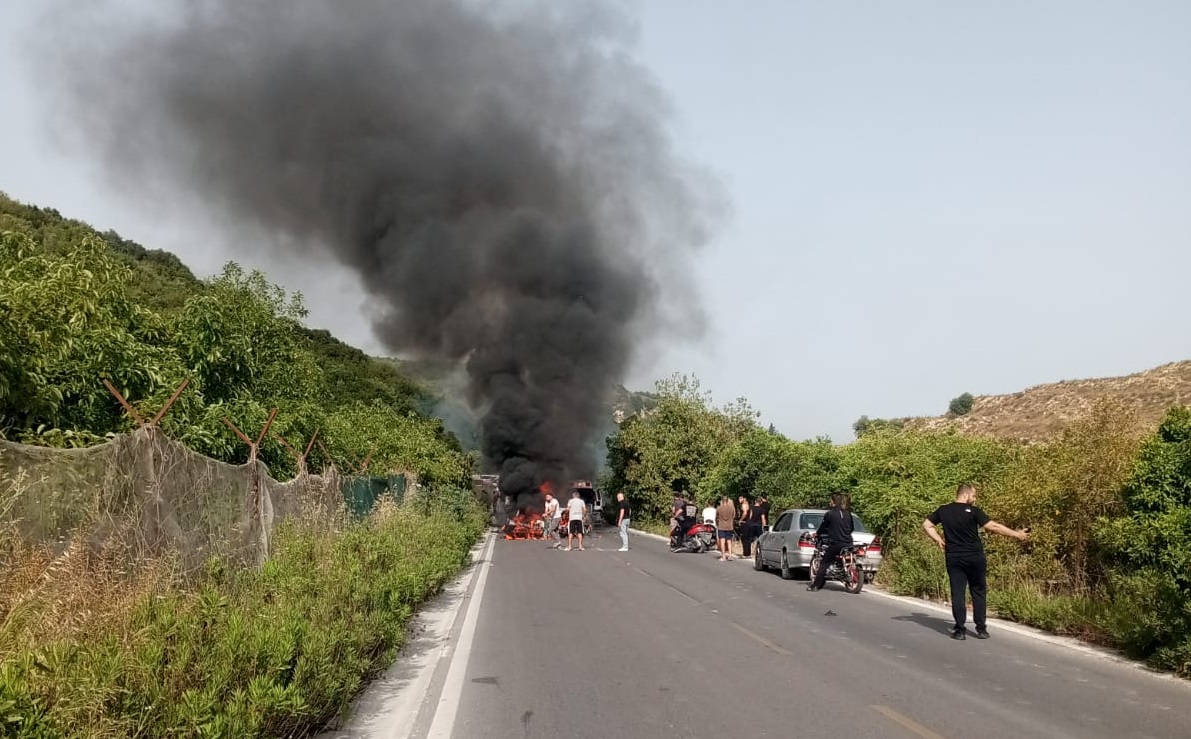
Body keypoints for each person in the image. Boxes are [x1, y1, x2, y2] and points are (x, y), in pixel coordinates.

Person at [923, 483, 1029, 640]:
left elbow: (927, 525)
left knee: (958, 593)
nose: (975, 499)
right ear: (965, 495)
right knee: (978, 591)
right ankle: (981, 629)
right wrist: (1017, 534)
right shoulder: (974, 512)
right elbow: (993, 526)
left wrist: (938, 540)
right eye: (973, 496)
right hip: (975, 557)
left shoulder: (943, 510)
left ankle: (960, 630)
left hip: (954, 557)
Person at [808, 493, 854, 591]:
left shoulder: (830, 514)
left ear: (833, 502)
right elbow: (851, 528)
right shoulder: (848, 513)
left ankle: (816, 586)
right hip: (849, 543)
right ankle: (843, 571)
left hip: (835, 543)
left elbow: (823, 527)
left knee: (824, 563)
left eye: (830, 501)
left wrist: (818, 534)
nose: (830, 503)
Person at [715, 495, 736, 562]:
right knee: (729, 541)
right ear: (727, 501)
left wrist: (717, 523)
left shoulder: (719, 508)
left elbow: (716, 517)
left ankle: (723, 557)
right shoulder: (732, 508)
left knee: (722, 542)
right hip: (729, 526)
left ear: (722, 501)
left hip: (721, 526)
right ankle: (730, 556)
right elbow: (733, 516)